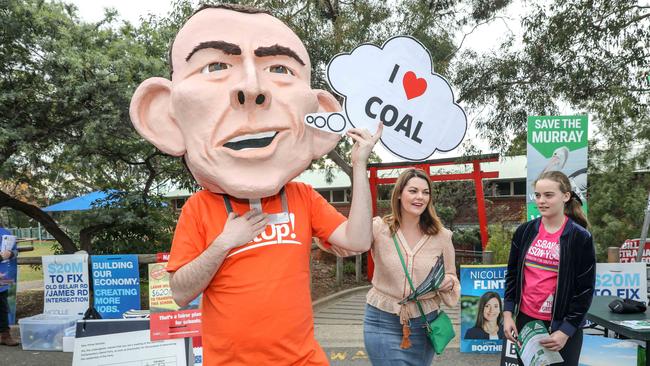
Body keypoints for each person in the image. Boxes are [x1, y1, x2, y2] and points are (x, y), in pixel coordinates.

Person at [129, 4, 382, 365]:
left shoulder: (302, 197)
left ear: (319, 121)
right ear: (164, 117)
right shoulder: (199, 208)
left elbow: (357, 241)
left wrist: (359, 166)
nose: (252, 88)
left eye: (279, 68)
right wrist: (222, 245)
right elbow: (180, 292)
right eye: (216, 66)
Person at [363, 168, 460, 365]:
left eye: (426, 192)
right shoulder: (379, 228)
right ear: (399, 193)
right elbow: (347, 245)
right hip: (381, 319)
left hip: (424, 323)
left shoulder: (442, 236)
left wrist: (446, 282)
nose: (420, 197)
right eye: (413, 191)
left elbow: (451, 277)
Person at [503, 170, 595, 366]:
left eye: (548, 195)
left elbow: (585, 290)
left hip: (561, 327)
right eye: (537, 195)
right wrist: (508, 314)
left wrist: (566, 330)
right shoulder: (524, 232)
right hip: (526, 323)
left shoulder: (580, 237)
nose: (541, 200)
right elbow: (512, 275)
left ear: (566, 196)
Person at [0, 241, 18, 346]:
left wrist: (11, 254)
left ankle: (5, 335)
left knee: (2, 306)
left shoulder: (6, 233)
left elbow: (16, 252)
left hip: (4, 277)